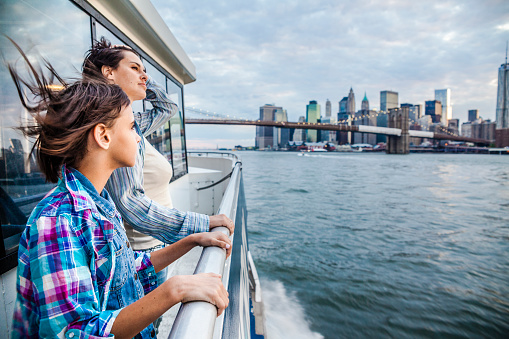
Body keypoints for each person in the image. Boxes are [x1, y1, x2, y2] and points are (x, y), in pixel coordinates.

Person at [9, 42, 230, 339]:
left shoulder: (100, 202)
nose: (138, 138)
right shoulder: (57, 223)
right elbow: (74, 333)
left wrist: (189, 240)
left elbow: (122, 270)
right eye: (130, 128)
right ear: (103, 136)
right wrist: (174, 290)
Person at [82, 38, 234, 332]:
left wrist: (139, 84)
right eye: (135, 67)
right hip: (145, 241)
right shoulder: (67, 216)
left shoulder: (133, 123)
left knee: (148, 324)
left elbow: (167, 106)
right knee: (141, 323)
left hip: (151, 247)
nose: (137, 137)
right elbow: (132, 205)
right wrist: (200, 224)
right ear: (108, 72)